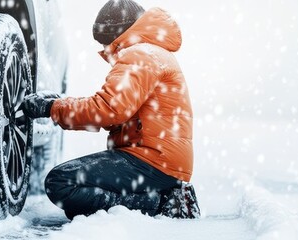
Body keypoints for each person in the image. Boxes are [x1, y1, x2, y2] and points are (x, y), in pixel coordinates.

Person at [21, 0, 199, 219]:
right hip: (160, 160)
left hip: (152, 161)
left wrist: (52, 107)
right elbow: (115, 111)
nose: (106, 50)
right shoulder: (152, 53)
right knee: (78, 204)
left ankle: (163, 203)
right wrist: (61, 103)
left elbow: (108, 109)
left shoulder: (140, 54)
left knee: (61, 182)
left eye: (105, 42)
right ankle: (161, 196)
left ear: (118, 34)